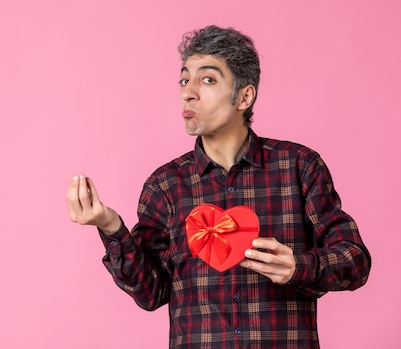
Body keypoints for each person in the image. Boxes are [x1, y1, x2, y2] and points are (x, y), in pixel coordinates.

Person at [66, 25, 371, 349]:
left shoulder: (299, 167)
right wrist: (110, 226)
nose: (188, 92)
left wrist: (299, 267)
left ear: (244, 96)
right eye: (185, 79)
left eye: (207, 79)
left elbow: (355, 260)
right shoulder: (165, 185)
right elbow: (151, 293)